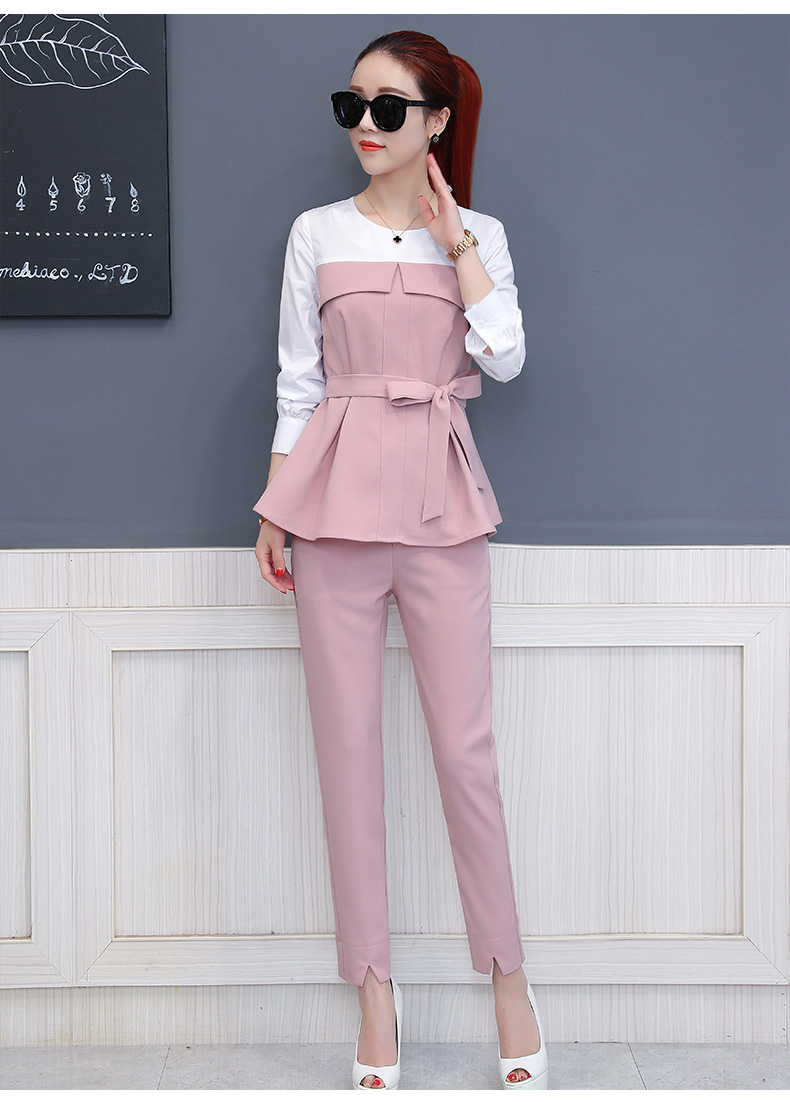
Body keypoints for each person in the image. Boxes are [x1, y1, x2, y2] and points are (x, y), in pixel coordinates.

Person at [253, 29, 548, 1091]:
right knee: (347, 754)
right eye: (352, 106)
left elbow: (506, 359)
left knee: (466, 753)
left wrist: (455, 241)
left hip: (439, 502)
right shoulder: (315, 232)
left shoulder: (480, 236)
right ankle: (374, 993)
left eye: (388, 108)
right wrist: (274, 507)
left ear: (437, 121)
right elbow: (297, 380)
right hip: (329, 504)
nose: (365, 127)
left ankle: (509, 978)